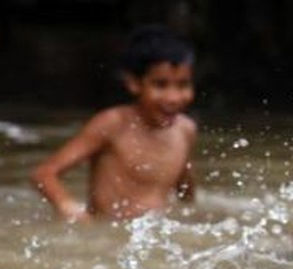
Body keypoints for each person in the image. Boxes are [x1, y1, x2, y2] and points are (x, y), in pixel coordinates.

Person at [31, 25, 197, 222]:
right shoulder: (113, 124)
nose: (174, 97)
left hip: (155, 236)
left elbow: (185, 186)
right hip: (109, 233)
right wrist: (70, 209)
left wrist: (193, 218)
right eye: (160, 85)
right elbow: (44, 174)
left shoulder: (185, 129)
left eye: (183, 85)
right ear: (133, 83)